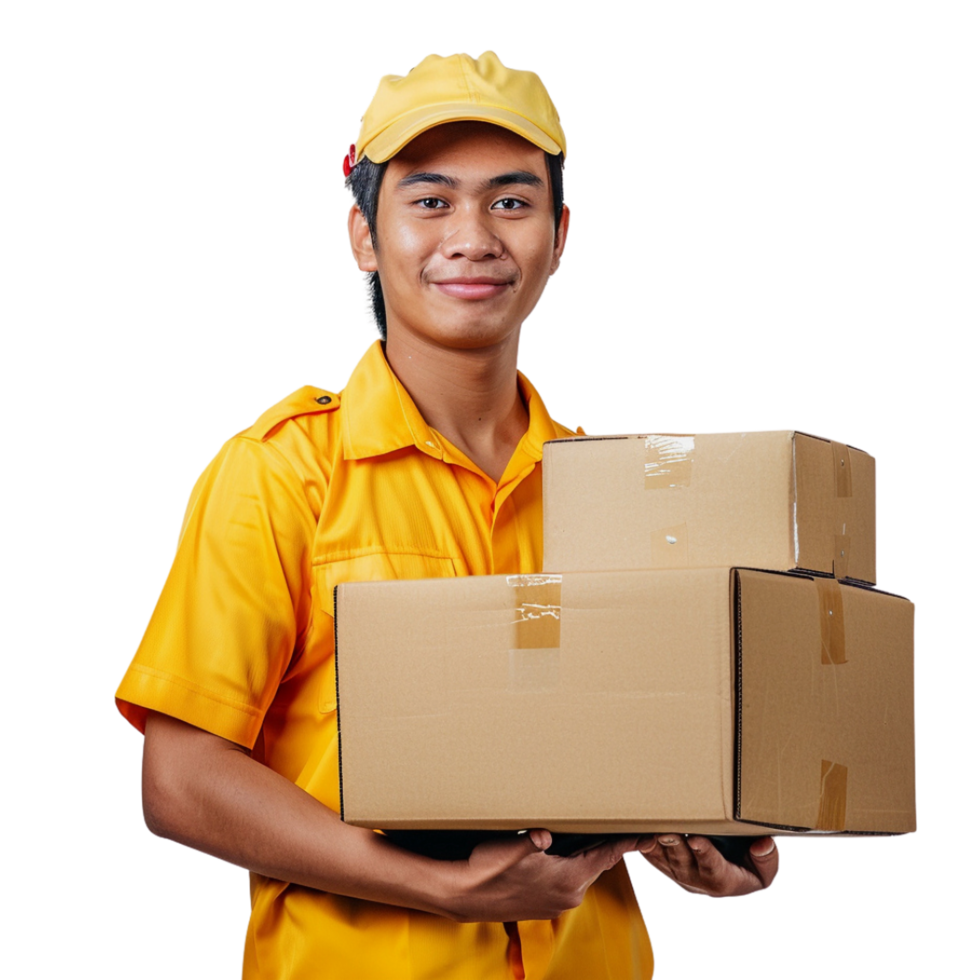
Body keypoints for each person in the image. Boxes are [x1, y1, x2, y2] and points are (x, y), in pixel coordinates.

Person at [114, 50, 780, 979]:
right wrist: (431, 887)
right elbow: (181, 783)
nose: (472, 237)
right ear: (362, 234)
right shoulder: (281, 473)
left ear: (562, 235)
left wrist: (721, 833)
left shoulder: (624, 491)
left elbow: (655, 737)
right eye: (430, 201)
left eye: (512, 201)